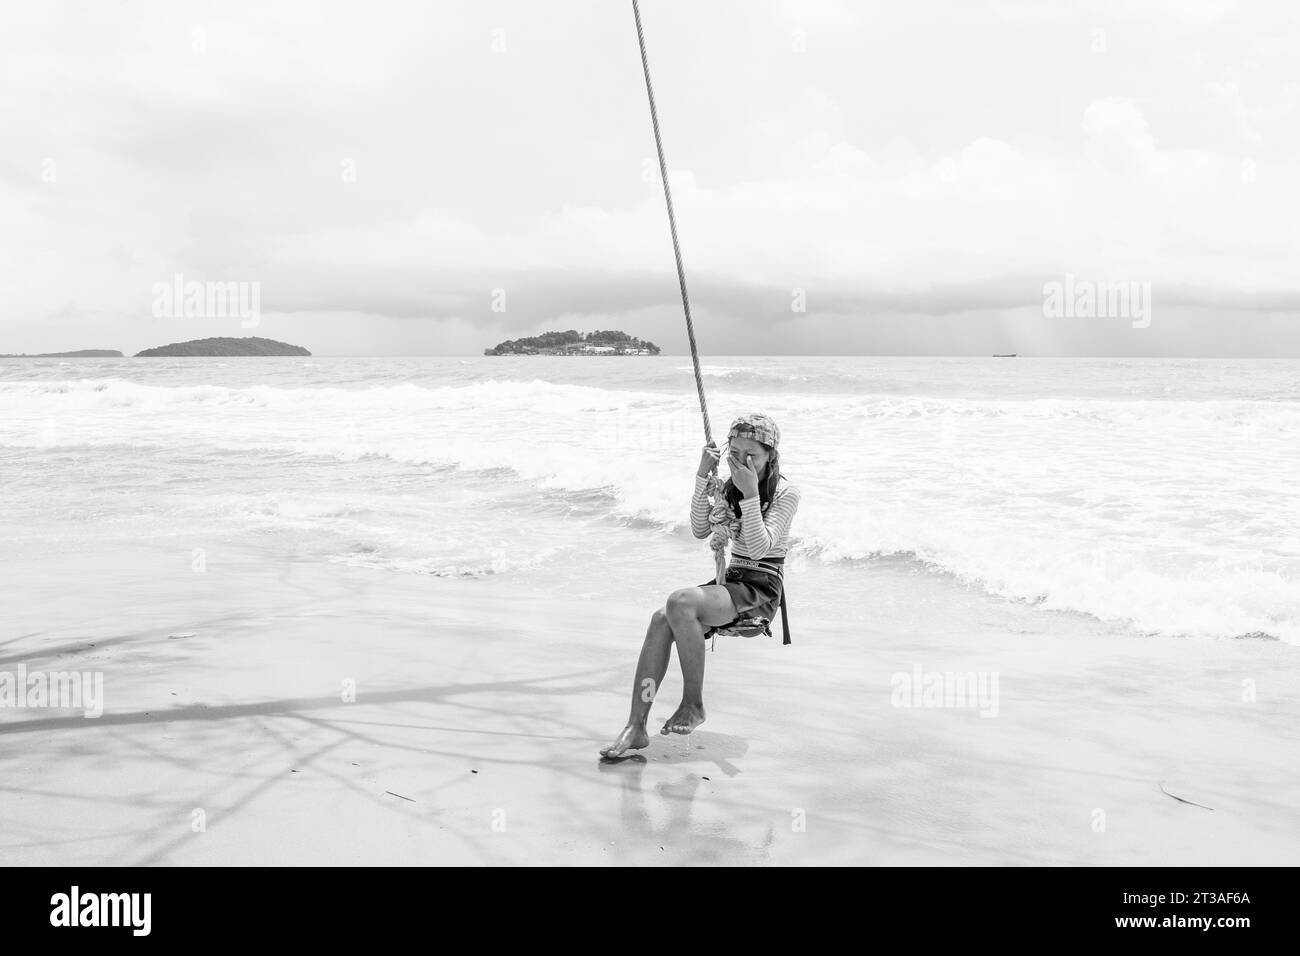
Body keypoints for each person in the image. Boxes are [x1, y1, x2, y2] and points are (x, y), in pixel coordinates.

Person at [599, 412, 801, 758]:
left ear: (771, 455)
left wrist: (751, 494)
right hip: (731, 581)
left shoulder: (785, 491)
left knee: (679, 601)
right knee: (661, 618)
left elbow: (758, 548)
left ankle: (693, 704)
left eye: (751, 454)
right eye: (735, 453)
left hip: (760, 588)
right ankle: (636, 726)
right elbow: (700, 530)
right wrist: (701, 477)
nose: (741, 461)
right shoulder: (728, 486)